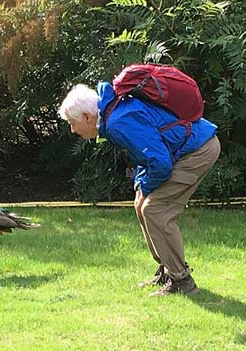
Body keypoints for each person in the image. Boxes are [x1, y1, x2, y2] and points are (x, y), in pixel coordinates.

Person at [58, 81, 220, 296]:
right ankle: (167, 269)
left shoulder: (118, 121)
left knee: (155, 209)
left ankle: (182, 281)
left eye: (72, 122)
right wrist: (141, 185)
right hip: (184, 150)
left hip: (197, 151)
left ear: (88, 116)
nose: (73, 129)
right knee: (141, 203)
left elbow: (161, 162)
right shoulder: (113, 114)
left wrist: (146, 184)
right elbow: (148, 154)